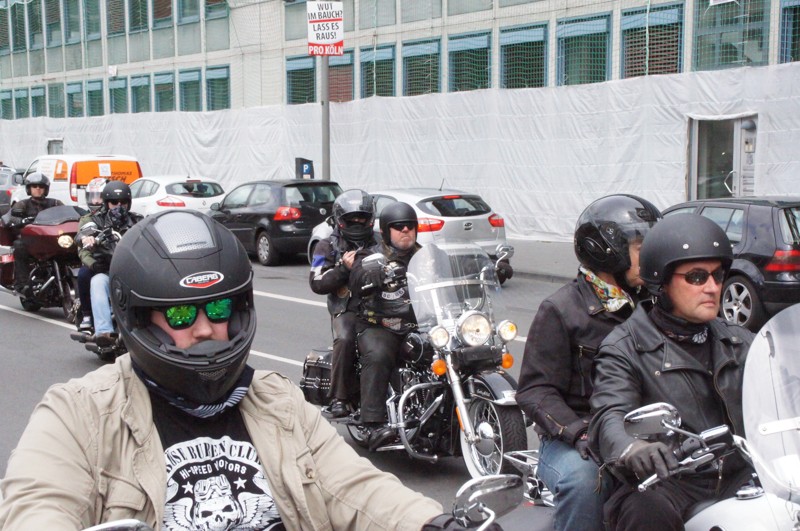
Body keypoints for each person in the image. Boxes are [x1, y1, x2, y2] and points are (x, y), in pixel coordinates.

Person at [0, 210, 458, 530]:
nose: (205, 328)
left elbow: (356, 489)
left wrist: (431, 522)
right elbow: (38, 504)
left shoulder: (278, 402)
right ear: (137, 317)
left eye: (218, 309)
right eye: (180, 314)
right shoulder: (78, 414)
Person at [589, 213, 755, 531]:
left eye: (718, 275)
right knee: (645, 512)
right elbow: (610, 413)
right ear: (661, 282)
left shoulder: (739, 341)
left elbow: (783, 386)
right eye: (697, 277)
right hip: (671, 480)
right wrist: (632, 447)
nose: (713, 287)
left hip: (742, 473)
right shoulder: (626, 348)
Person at [515, 194, 662, 531]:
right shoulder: (561, 310)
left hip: (639, 429)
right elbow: (535, 391)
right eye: (641, 248)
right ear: (608, 252)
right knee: (585, 482)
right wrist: (580, 432)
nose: (651, 257)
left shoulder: (652, 305)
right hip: (573, 439)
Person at [349, 201, 420, 450]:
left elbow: (453, 271)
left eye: (409, 226)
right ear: (386, 231)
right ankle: (372, 423)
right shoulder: (370, 255)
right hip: (379, 324)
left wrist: (490, 270)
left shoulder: (426, 256)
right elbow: (356, 277)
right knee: (379, 355)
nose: (405, 230)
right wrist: (371, 275)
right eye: (399, 227)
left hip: (418, 324)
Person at [309, 188, 378, 418]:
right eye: (352, 219)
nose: (357, 223)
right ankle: (338, 397)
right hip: (347, 308)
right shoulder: (325, 246)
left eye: (362, 218)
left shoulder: (381, 242)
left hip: (381, 306)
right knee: (346, 338)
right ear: (340, 220)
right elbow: (316, 281)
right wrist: (342, 269)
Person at [76, 180, 142, 342]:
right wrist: (88, 239)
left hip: (134, 271)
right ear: (106, 203)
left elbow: (153, 234)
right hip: (106, 270)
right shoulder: (95, 220)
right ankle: (103, 332)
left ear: (129, 203)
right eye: (114, 202)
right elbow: (82, 235)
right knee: (97, 281)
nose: (119, 206)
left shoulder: (137, 221)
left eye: (123, 202)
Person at [8, 172, 64, 296]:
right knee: (19, 246)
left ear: (46, 189)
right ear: (29, 189)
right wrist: (19, 221)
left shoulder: (55, 203)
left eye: (41, 186)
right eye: (34, 186)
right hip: (31, 241)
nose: (38, 189)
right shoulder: (22, 204)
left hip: (51, 240)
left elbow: (66, 214)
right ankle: (22, 284)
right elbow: (11, 217)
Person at [75, 178, 108, 332]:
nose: (95, 201)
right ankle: (87, 314)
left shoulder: (121, 218)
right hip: (98, 261)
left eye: (99, 196)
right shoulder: (86, 220)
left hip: (117, 261)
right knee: (83, 275)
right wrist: (93, 264)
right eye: (92, 196)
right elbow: (82, 249)